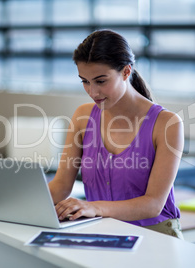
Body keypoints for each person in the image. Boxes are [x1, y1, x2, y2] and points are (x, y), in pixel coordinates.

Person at [48, 29, 184, 239]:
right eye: (85, 81)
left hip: (156, 237)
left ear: (126, 72)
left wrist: (94, 207)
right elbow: (61, 186)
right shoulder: (83, 116)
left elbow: (153, 205)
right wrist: (13, 202)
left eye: (101, 81)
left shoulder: (167, 124)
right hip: (101, 234)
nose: (93, 92)